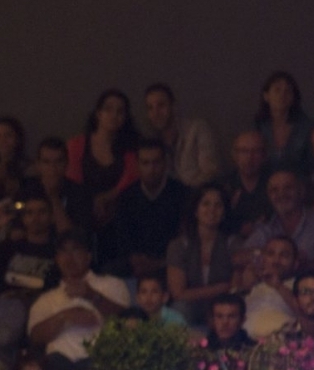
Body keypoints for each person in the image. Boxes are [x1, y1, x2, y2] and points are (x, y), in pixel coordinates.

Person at [26, 231, 130, 370]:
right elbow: (35, 337)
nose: (69, 257)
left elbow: (125, 320)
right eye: (63, 251)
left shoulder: (112, 284)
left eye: (75, 250)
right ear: (57, 258)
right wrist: (65, 316)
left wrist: (91, 295)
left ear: (88, 256)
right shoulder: (46, 299)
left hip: (102, 361)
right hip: (58, 364)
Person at [109, 138, 189, 278]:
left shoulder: (182, 195)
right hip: (135, 264)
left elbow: (186, 238)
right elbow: (122, 237)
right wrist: (136, 259)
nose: (151, 169)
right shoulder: (126, 197)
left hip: (170, 263)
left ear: (165, 163)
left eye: (156, 162)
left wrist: (160, 263)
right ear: (137, 165)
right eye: (145, 163)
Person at [240, 170, 314, 280]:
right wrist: (268, 255)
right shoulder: (267, 227)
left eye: (288, 188)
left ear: (301, 191)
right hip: (274, 294)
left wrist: (297, 264)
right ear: (269, 196)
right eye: (274, 190)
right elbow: (238, 258)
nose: (281, 194)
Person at [165, 184, 241, 327]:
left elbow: (236, 287)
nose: (212, 210)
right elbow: (178, 293)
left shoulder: (233, 243)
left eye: (218, 205)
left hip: (222, 306)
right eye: (206, 204)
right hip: (191, 307)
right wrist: (222, 287)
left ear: (224, 212)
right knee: (179, 308)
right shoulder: (179, 246)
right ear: (196, 210)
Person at [65, 89, 141, 232]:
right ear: (98, 114)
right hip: (82, 211)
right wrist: (92, 202)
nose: (114, 115)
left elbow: (131, 179)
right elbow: (72, 181)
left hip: (120, 213)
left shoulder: (131, 147)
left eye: (120, 111)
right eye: (108, 109)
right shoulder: (76, 145)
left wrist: (108, 198)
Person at [141, 82, 221, 188]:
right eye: (150, 108)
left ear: (173, 106)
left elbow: (210, 172)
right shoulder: (151, 141)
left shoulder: (196, 129)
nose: (156, 112)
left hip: (197, 196)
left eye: (161, 105)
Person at [0, 192, 59, 299]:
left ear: (51, 217)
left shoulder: (59, 251)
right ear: (23, 218)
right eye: (29, 213)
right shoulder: (9, 247)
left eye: (42, 212)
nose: (35, 218)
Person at [19, 137, 96, 238]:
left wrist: (54, 197)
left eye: (58, 161)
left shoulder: (80, 193)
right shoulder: (26, 190)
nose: (53, 168)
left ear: (66, 163)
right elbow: (17, 229)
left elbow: (74, 238)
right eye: (46, 162)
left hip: (63, 250)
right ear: (38, 165)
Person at [255, 71, 314, 179]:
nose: (282, 95)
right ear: (266, 96)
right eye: (277, 90)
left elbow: (313, 162)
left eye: (287, 91)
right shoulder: (257, 127)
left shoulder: (307, 128)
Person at [239, 236, 300, 341]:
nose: (276, 260)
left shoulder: (301, 285)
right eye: (271, 254)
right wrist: (244, 289)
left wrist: (278, 285)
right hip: (244, 343)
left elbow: (307, 314)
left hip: (281, 344)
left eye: (284, 255)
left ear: (295, 263)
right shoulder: (253, 283)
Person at [222, 131, 273, 239]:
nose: (250, 158)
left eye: (256, 151)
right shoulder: (224, 185)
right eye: (244, 151)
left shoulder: (274, 183)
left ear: (264, 155)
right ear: (235, 155)